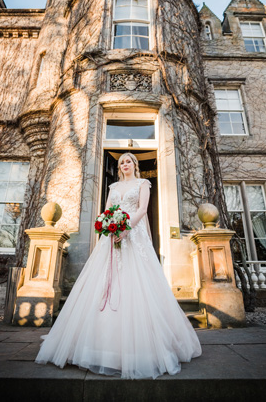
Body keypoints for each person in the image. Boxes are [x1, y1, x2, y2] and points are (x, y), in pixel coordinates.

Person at [35, 152, 201, 379]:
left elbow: (142, 210)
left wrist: (125, 228)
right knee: (102, 283)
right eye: (121, 162)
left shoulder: (144, 184)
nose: (124, 164)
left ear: (135, 165)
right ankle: (96, 347)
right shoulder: (113, 188)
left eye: (128, 161)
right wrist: (107, 226)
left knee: (137, 284)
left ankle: (143, 348)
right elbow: (106, 212)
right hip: (111, 240)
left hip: (134, 236)